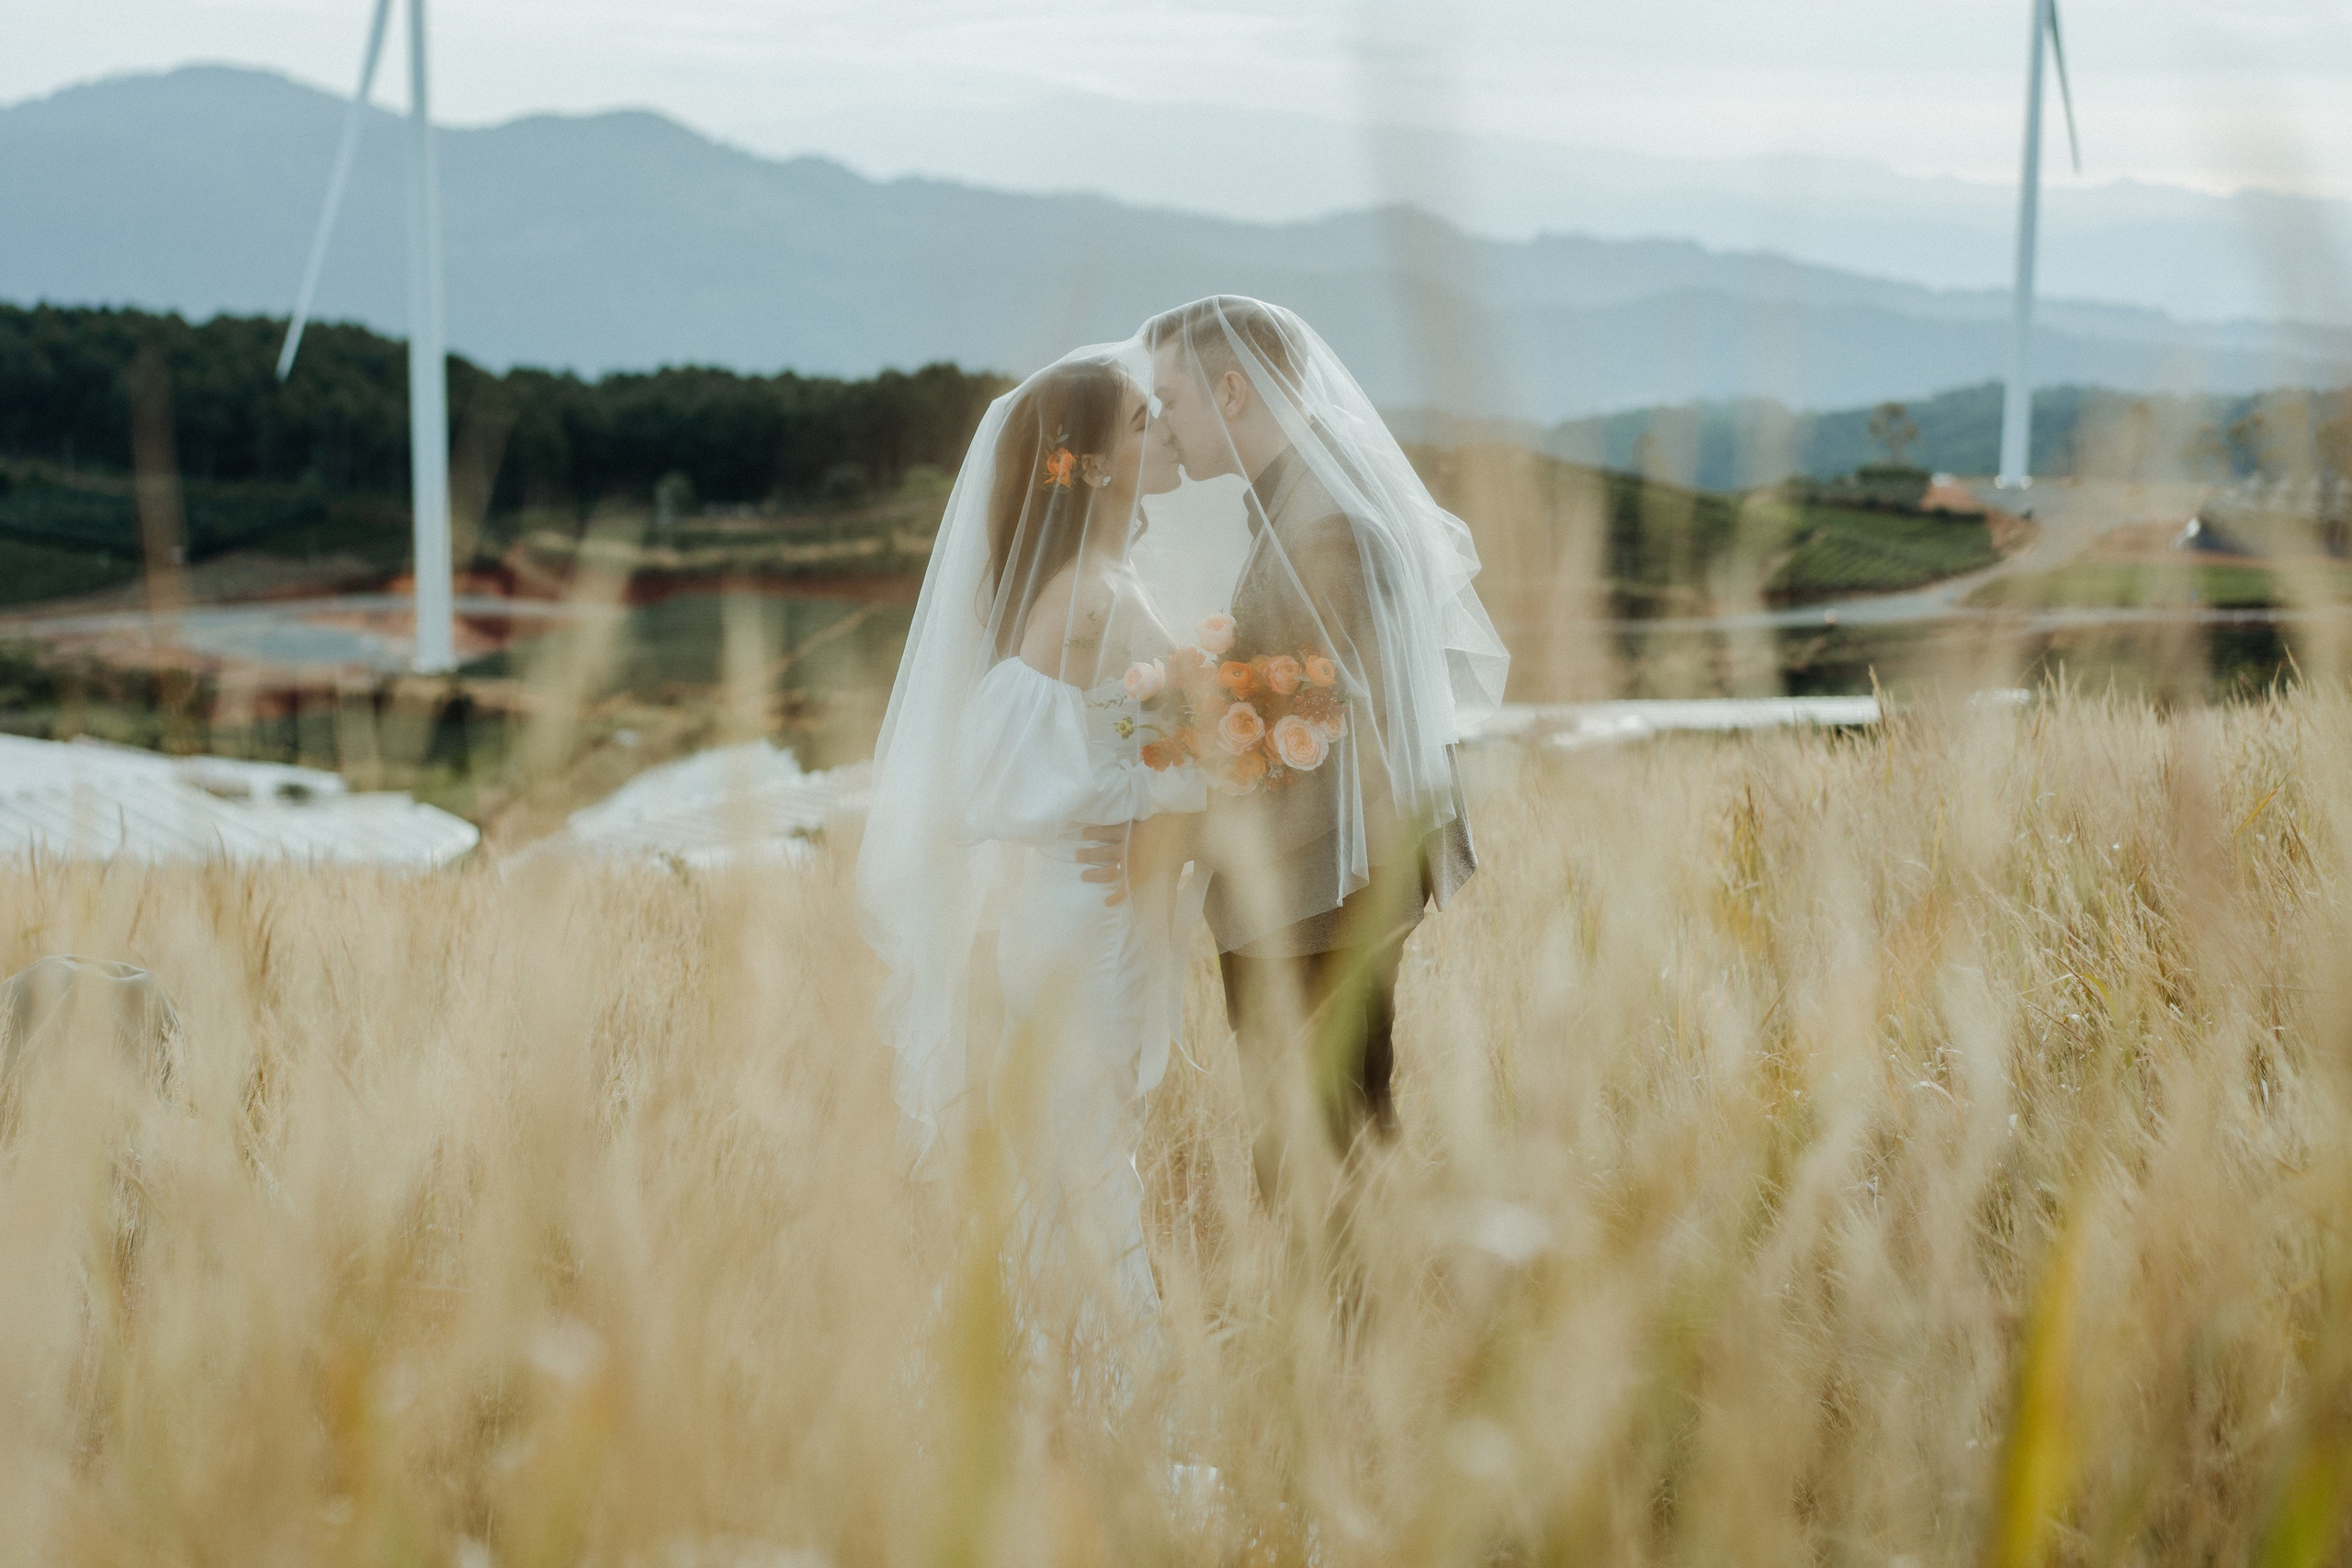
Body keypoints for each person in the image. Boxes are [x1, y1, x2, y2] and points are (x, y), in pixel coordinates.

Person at [1079, 296, 1509, 1217]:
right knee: (1326, 1135)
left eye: (1172, 400)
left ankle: (1343, 1348)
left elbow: (1312, 735)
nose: (1164, 427)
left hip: (1321, 886)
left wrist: (1164, 818)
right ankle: (1346, 1338)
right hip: (1327, 877)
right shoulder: (1311, 491)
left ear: (1231, 391)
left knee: (1318, 1144)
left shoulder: (1322, 521)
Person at [857, 345, 1202, 1344]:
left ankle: (1040, 1380)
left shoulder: (1090, 580)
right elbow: (1001, 775)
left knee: (1069, 1151)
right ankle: (1095, 1389)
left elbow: (1098, 739)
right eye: (1145, 423)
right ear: (1091, 461)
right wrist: (1167, 789)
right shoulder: (1088, 595)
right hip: (1082, 911)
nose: (1165, 434)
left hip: (1076, 910)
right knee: (1084, 1152)